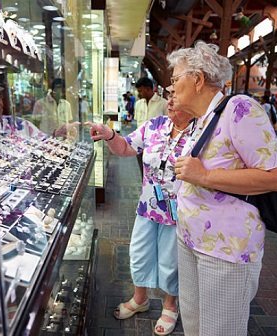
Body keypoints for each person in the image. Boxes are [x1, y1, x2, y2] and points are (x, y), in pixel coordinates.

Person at [168, 41, 277, 336]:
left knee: (221, 330)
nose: (170, 86)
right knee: (194, 324)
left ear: (197, 79)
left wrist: (205, 176)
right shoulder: (203, 119)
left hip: (225, 250)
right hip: (191, 239)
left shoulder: (241, 109)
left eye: (175, 79)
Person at [87, 87, 193, 335]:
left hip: (180, 213)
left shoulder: (201, 131)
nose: (170, 100)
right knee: (139, 253)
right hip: (148, 206)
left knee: (170, 261)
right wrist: (109, 135)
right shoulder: (155, 125)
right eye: (169, 95)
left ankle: (169, 305)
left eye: (177, 94)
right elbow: (125, 148)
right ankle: (140, 299)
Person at [134, 77, 168, 177]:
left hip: (156, 145)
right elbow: (137, 123)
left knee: (154, 172)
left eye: (141, 91)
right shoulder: (138, 104)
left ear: (148, 89)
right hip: (140, 143)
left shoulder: (163, 104)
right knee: (142, 171)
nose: (139, 93)